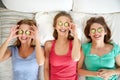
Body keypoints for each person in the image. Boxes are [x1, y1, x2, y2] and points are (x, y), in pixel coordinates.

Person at [44, 11, 81, 80]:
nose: (63, 26)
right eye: (60, 23)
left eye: (66, 24)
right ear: (55, 26)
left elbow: (76, 58)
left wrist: (75, 34)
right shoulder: (49, 45)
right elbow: (46, 68)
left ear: (70, 26)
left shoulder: (75, 42)